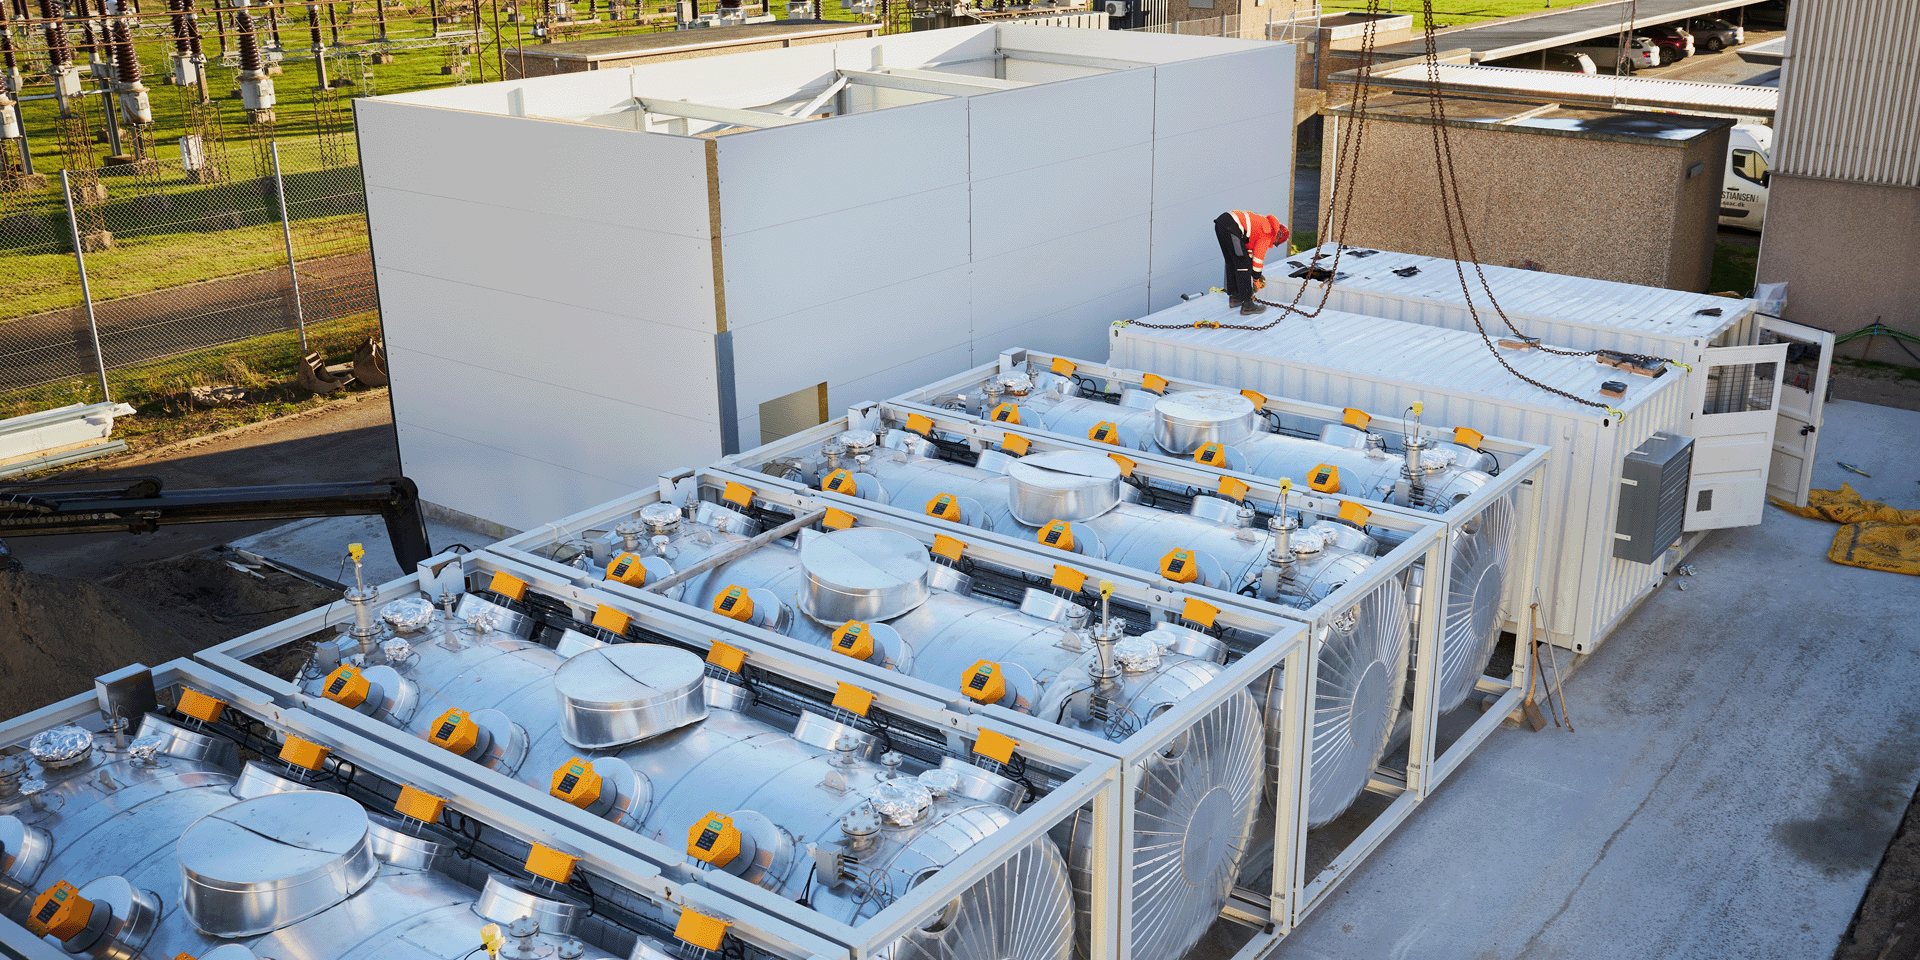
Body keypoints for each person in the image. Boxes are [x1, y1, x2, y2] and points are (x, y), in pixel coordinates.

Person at [1214, 211, 1289, 316]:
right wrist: (1256, 279)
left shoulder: (1263, 224)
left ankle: (1235, 297)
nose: (1272, 243)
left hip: (1222, 223)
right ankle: (1247, 305)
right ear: (1278, 236)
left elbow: (1247, 252)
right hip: (1231, 226)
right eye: (1276, 242)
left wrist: (1254, 273)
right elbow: (1258, 259)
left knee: (1232, 262)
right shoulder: (1268, 233)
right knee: (1242, 266)